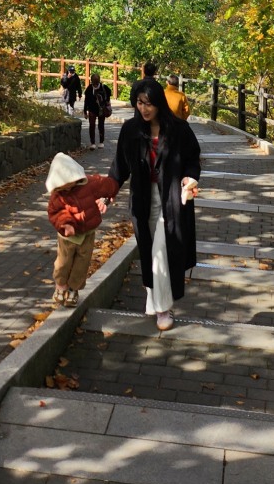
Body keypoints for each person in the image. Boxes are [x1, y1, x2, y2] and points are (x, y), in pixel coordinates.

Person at [109, 77, 200, 332]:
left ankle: (163, 309)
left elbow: (193, 159)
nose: (144, 108)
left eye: (148, 103)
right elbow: (119, 167)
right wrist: (107, 192)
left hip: (171, 199)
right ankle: (153, 298)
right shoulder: (131, 130)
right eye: (139, 103)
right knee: (150, 251)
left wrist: (190, 177)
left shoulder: (179, 129)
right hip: (143, 199)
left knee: (162, 251)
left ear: (159, 102)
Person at [46, 152, 118, 308]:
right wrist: (66, 224)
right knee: (63, 262)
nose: (66, 188)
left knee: (82, 262)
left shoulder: (89, 184)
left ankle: (74, 289)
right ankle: (61, 286)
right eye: (62, 185)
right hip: (67, 237)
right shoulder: (58, 195)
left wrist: (112, 191)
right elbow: (55, 212)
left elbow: (106, 184)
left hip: (87, 233)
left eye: (68, 183)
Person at [83, 72, 112, 150]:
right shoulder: (89, 89)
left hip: (101, 109)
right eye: (94, 84)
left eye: (96, 84)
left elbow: (109, 94)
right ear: (91, 82)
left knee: (101, 125)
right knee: (92, 125)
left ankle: (101, 142)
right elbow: (86, 101)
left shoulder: (104, 87)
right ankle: (92, 143)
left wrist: (106, 101)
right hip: (92, 109)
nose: (95, 85)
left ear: (99, 82)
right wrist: (85, 111)